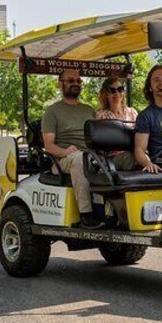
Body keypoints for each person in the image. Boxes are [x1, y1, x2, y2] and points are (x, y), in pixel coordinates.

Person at [42, 69, 102, 229]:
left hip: (89, 156)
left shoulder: (88, 110)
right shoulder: (52, 111)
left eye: (78, 81)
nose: (76, 83)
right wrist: (65, 151)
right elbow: (48, 145)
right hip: (63, 159)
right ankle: (86, 214)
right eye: (70, 81)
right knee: (79, 158)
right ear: (60, 84)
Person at [94, 76, 138, 170]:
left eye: (120, 89)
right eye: (112, 90)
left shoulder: (132, 112)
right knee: (129, 158)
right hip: (111, 158)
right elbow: (102, 144)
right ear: (106, 94)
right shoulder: (101, 115)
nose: (117, 93)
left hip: (134, 152)